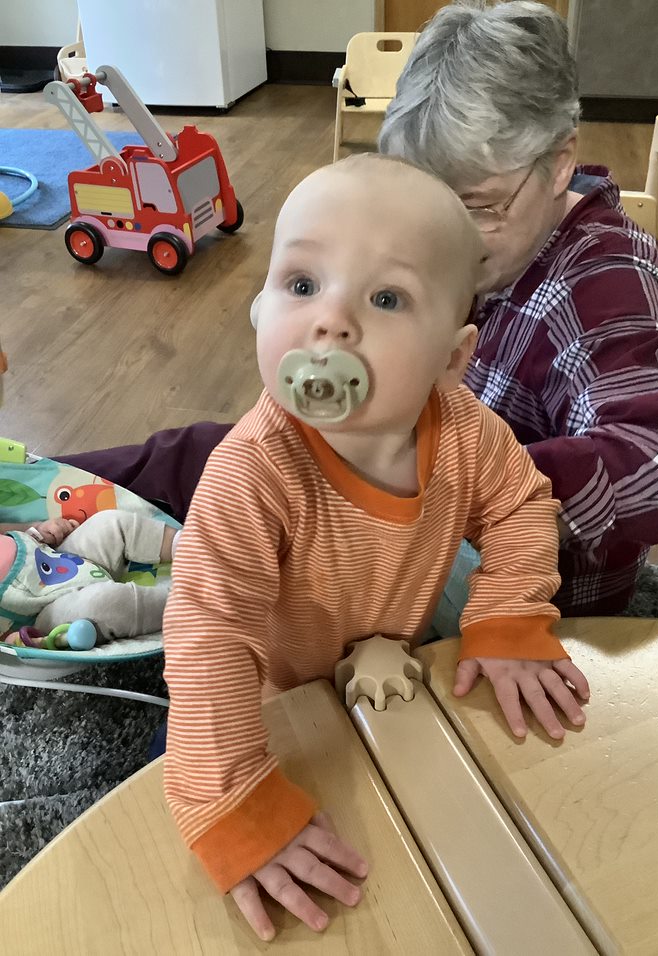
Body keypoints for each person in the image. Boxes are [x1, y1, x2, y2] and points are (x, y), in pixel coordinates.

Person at [57, 1, 658, 620]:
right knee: (216, 455)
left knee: (240, 573)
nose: (445, 237)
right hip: (398, 514)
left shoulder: (605, 278)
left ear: (559, 162)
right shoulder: (484, 243)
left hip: (500, 594)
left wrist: (434, 480)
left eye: (478, 207)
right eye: (431, 198)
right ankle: (41, 485)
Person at [162, 153, 590, 940]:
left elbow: (522, 504)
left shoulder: (463, 430)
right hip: (278, 695)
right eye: (300, 284)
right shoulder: (253, 473)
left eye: (386, 297)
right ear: (260, 309)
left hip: (394, 650)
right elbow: (209, 638)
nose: (330, 321)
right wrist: (233, 799)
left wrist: (506, 616)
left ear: (453, 360)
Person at [0, 510, 179, 641]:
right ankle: (186, 602)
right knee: (106, 602)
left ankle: (190, 545)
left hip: (56, 558)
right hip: (41, 615)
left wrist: (38, 528)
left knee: (108, 523)